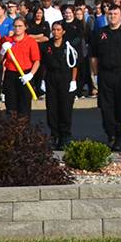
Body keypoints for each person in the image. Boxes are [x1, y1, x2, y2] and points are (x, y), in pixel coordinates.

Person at [91, 5, 121, 150]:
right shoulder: (100, 33)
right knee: (106, 107)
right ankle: (110, 134)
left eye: (115, 13)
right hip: (105, 74)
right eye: (110, 13)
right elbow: (93, 57)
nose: (112, 16)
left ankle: (120, 136)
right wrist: (95, 76)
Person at [39, 21, 79, 149]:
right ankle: (54, 135)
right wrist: (43, 80)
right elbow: (44, 64)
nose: (55, 32)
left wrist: (73, 81)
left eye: (58, 29)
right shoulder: (47, 45)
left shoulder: (69, 46)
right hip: (51, 77)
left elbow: (74, 64)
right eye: (54, 29)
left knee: (65, 108)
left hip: (65, 77)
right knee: (52, 108)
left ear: (63, 31)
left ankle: (65, 136)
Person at [3, 18, 42, 117]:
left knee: (24, 106)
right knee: (11, 106)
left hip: (25, 74)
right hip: (11, 74)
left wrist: (31, 74)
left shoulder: (31, 41)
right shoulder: (7, 40)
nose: (17, 28)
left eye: (20, 26)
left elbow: (36, 61)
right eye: (15, 26)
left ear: (25, 27)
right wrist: (2, 51)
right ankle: (12, 130)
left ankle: (24, 130)